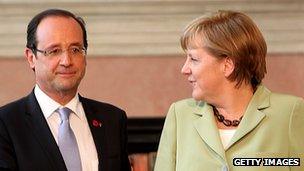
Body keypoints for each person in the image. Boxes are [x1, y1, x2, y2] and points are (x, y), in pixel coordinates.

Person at [154, 10, 304, 171]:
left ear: (227, 65)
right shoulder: (180, 114)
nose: (184, 69)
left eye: (194, 59)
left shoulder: (289, 113)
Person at [0, 9, 131, 171]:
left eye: (75, 49)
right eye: (54, 51)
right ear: (31, 57)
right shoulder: (6, 123)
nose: (67, 61)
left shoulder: (112, 119)